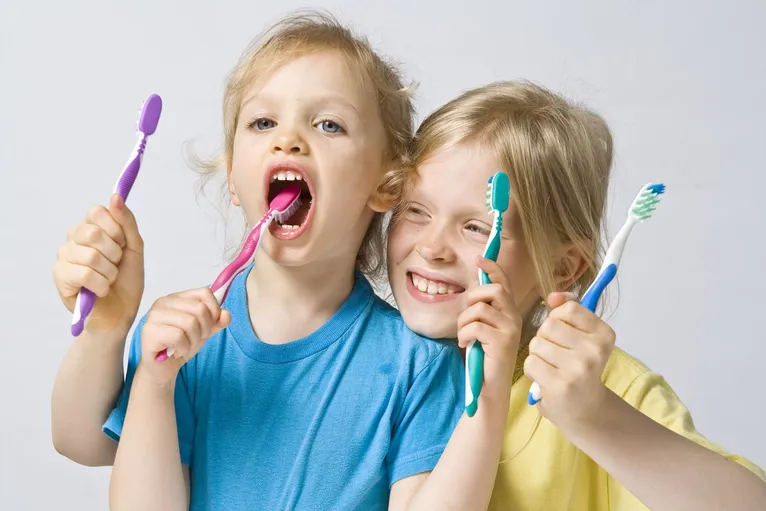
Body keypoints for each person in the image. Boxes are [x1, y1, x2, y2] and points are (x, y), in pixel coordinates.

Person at [52, 11, 464, 510]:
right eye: (262, 122)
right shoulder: (179, 341)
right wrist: (121, 346)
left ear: (386, 183)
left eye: (329, 124)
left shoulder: (420, 366)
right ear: (232, 174)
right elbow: (78, 443)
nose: (286, 139)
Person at [386, 79, 766, 510]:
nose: (432, 248)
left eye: (475, 227)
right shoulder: (365, 359)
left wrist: (594, 416)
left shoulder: (596, 384)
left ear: (563, 268)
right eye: (415, 210)